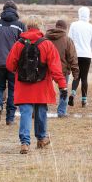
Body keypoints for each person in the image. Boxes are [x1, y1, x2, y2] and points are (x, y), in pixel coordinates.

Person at [6, 16, 67, 154]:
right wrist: (62, 85)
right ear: (40, 27)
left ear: (27, 26)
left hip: (23, 86)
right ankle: (41, 139)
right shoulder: (47, 44)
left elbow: (10, 65)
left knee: (26, 113)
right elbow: (55, 68)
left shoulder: (19, 44)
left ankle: (25, 143)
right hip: (42, 86)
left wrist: (20, 70)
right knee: (41, 112)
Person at [0, 0, 26, 125]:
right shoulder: (20, 26)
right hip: (14, 65)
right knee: (13, 90)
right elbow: (25, 45)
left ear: (3, 10)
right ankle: (10, 118)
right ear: (15, 11)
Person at [45, 20, 79, 117]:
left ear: (56, 26)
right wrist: (76, 73)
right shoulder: (67, 40)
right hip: (62, 70)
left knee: (44, 89)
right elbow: (73, 57)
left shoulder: (45, 38)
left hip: (47, 69)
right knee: (63, 90)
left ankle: (42, 108)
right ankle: (61, 112)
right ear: (65, 28)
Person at [68, 6, 92, 107]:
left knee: (76, 76)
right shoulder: (91, 27)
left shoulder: (74, 25)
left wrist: (68, 54)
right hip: (87, 55)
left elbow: (69, 40)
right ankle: (84, 100)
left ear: (79, 14)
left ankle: (73, 94)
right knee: (84, 78)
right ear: (88, 15)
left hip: (76, 54)